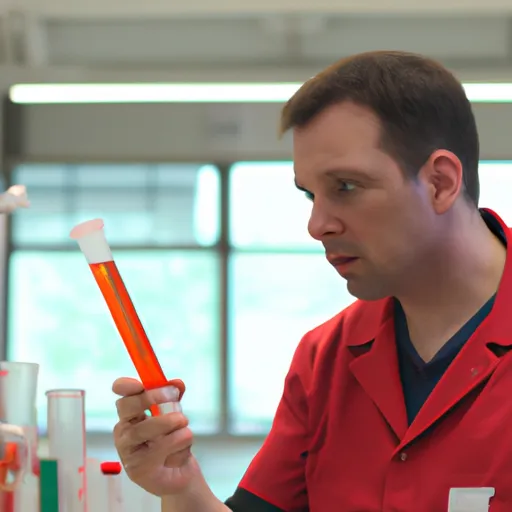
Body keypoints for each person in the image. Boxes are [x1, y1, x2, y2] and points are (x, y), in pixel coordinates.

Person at [112, 50, 512, 511]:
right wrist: (180, 486)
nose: (317, 224)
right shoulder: (327, 359)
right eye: (310, 194)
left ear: (440, 182)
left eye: (346, 186)